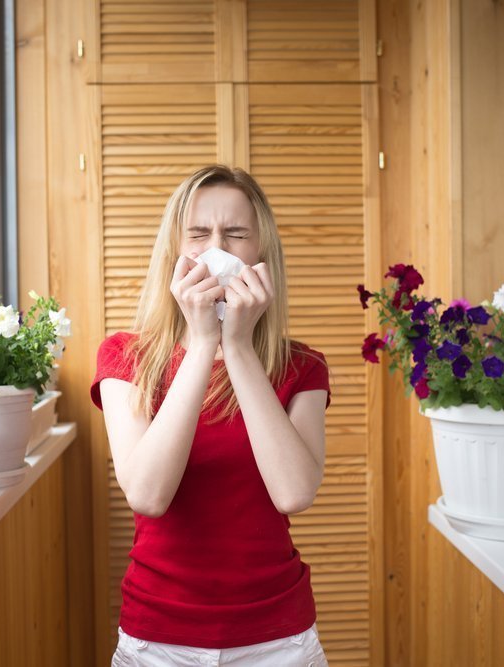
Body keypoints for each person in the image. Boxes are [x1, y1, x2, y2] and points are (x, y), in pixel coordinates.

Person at [91, 165, 332, 666]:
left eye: (236, 234)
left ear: (260, 253)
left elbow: (294, 492)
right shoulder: (125, 357)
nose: (216, 248)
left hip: (279, 640)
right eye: (198, 234)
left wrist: (238, 348)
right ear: (174, 252)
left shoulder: (301, 366)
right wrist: (203, 343)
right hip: (158, 640)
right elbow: (148, 494)